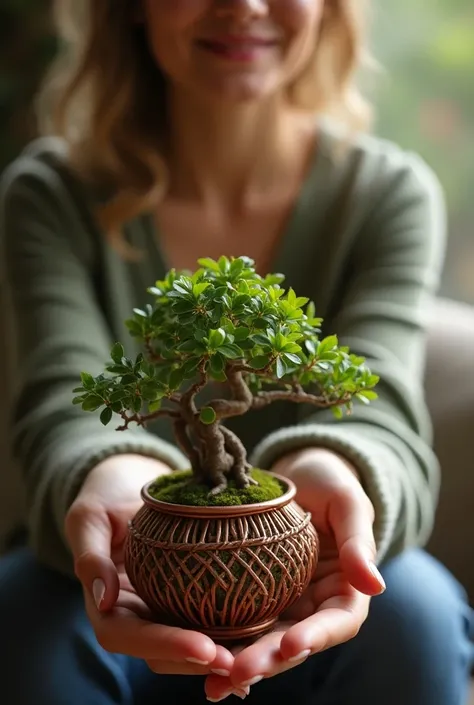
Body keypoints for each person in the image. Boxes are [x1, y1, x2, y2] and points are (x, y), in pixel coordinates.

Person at [0, 0, 472, 703]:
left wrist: (330, 471)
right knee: (23, 621)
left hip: (305, 564)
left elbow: (378, 403)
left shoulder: (387, 194)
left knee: (418, 614)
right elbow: (65, 399)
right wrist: (116, 481)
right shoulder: (52, 193)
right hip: (112, 572)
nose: (245, 6)